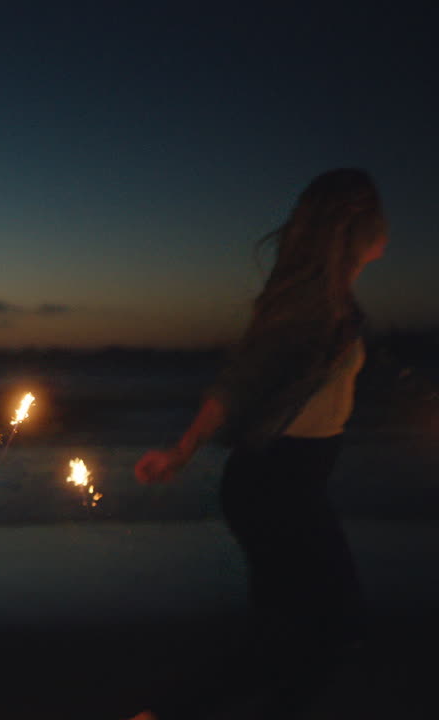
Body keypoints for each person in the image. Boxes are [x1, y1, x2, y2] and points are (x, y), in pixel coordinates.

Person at [128, 168, 389, 720]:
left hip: (292, 484)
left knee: (302, 631)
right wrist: (182, 450)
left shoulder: (334, 301)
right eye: (380, 212)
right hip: (276, 485)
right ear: (355, 225)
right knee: (326, 630)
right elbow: (240, 379)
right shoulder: (310, 304)